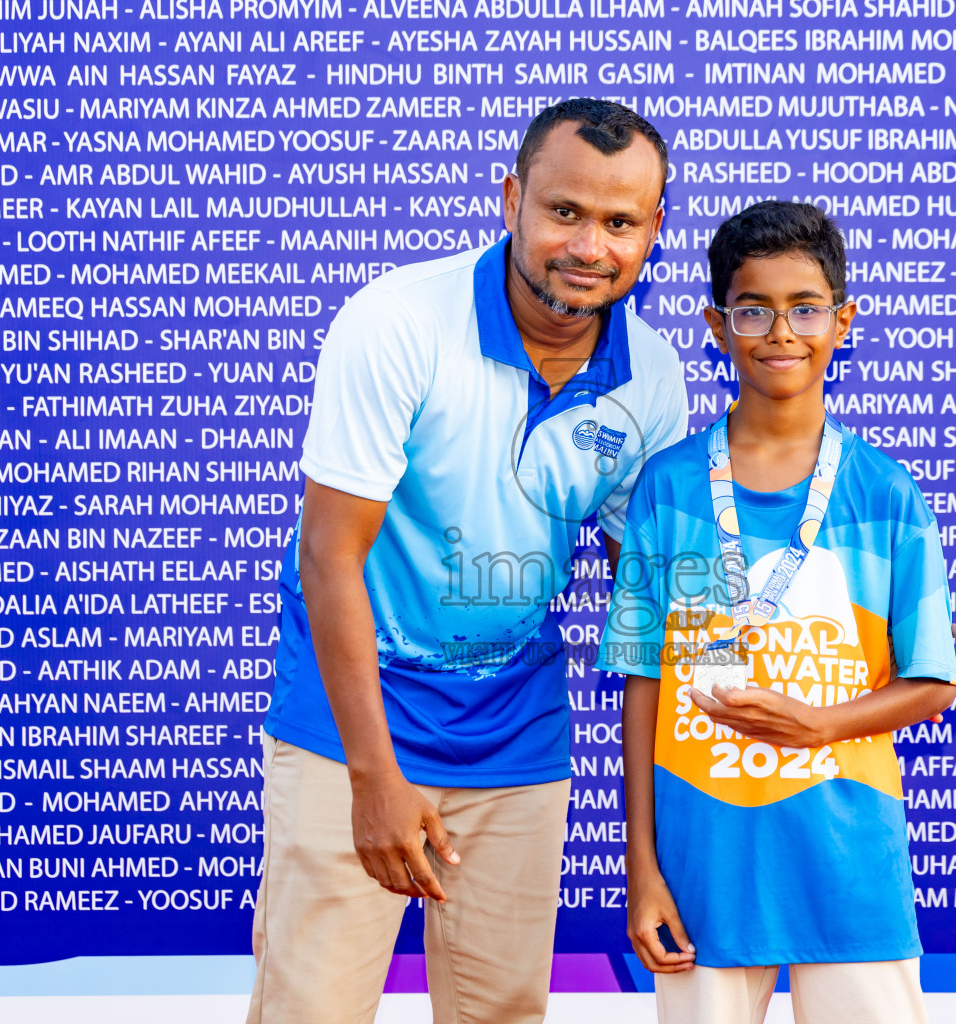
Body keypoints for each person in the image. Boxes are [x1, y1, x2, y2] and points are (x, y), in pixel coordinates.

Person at [246, 99, 686, 1024]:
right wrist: (374, 778)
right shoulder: (398, 321)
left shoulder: (651, 375)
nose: (590, 246)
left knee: (502, 1013)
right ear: (511, 198)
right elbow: (329, 555)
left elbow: (647, 586)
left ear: (653, 231)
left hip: (516, 738)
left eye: (620, 223)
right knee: (310, 1011)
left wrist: (848, 629)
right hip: (352, 730)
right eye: (564, 212)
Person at [598, 201, 956, 1024]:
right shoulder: (669, 487)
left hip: (849, 868)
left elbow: (934, 681)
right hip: (702, 874)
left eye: (804, 308)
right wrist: (642, 868)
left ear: (843, 320)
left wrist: (819, 725)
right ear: (716, 326)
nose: (779, 332)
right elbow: (644, 684)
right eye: (752, 310)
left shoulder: (886, 494)